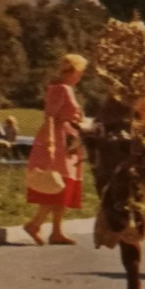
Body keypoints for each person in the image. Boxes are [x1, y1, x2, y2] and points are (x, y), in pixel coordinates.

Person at [23, 55, 89, 245]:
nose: (81, 75)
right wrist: (51, 141)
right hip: (59, 139)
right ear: (73, 71)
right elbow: (50, 116)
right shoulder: (60, 89)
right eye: (80, 71)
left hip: (69, 140)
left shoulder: (67, 89)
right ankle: (35, 224)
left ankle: (56, 231)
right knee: (56, 184)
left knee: (65, 185)